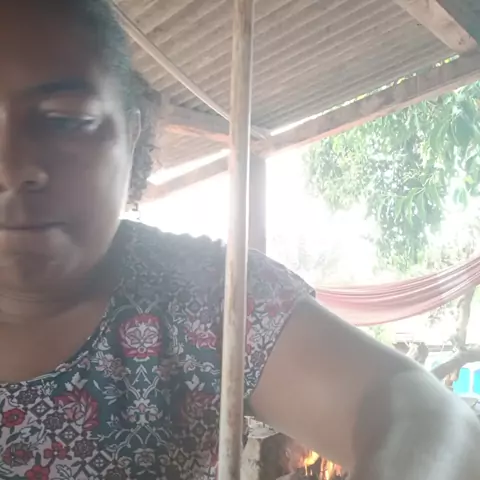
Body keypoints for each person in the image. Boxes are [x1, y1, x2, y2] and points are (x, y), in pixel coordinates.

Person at [0, 2, 478, 479]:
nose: (12, 168)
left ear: (131, 132)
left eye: (64, 119)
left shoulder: (206, 297)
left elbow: (427, 416)